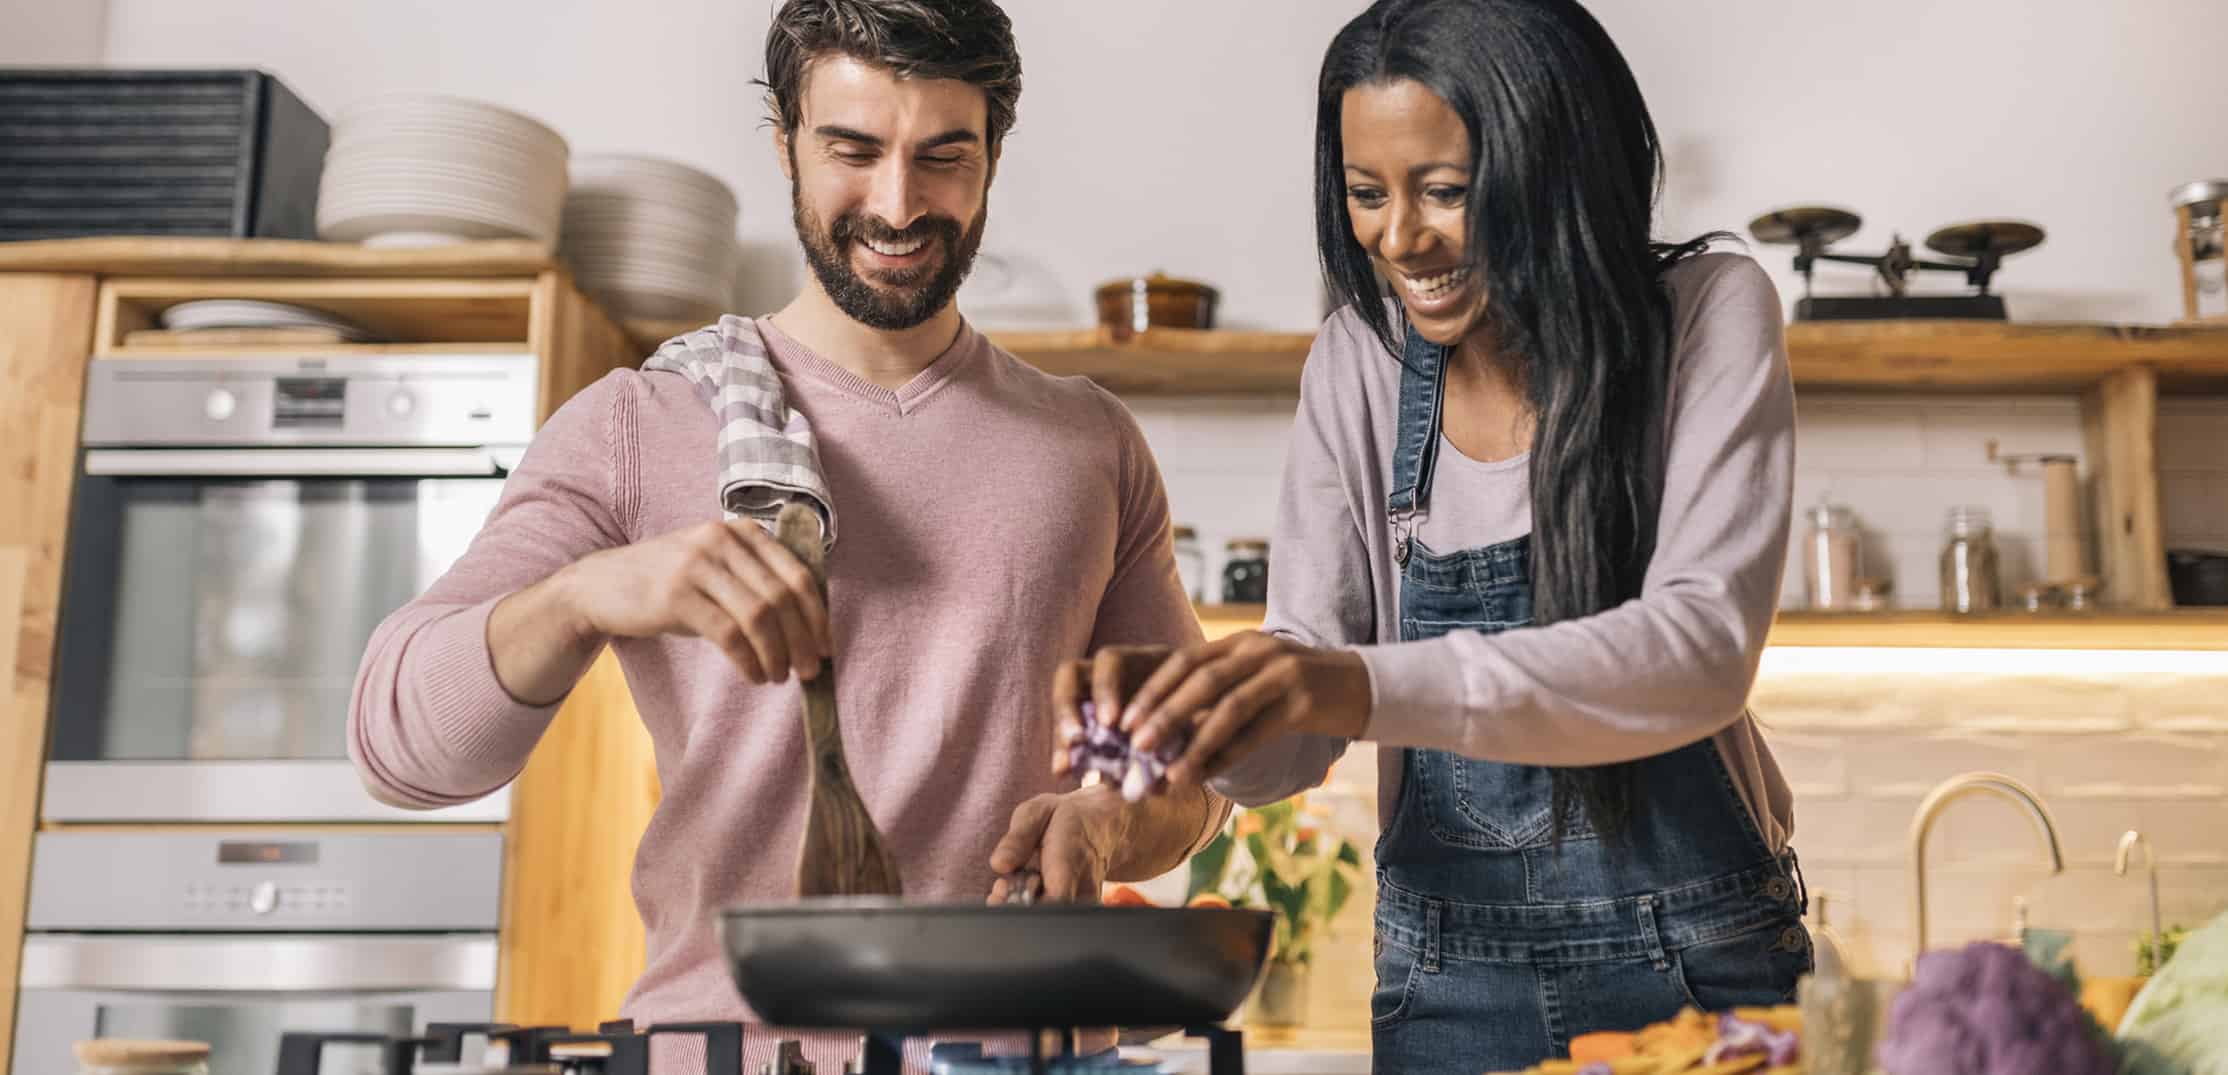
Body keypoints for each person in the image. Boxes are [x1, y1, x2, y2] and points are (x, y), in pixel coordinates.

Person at [350, 1, 1224, 1070]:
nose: (897, 205)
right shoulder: (643, 424)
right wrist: (586, 593)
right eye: (851, 150)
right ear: (784, 142)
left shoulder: (1087, 442)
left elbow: (1190, 771)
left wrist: (1103, 818)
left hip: (1028, 1051)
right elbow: (401, 749)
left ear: (994, 151)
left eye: (943, 156)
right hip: (729, 1047)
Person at [1061, 0, 1809, 1069]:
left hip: (1700, 968)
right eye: (1366, 193)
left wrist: (1343, 683)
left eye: (1445, 191)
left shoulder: (1703, 314)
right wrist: (1202, 731)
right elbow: (1299, 728)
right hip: (1447, 982)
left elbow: (1697, 652)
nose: (1398, 236)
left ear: (1552, 164)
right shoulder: (1356, 367)